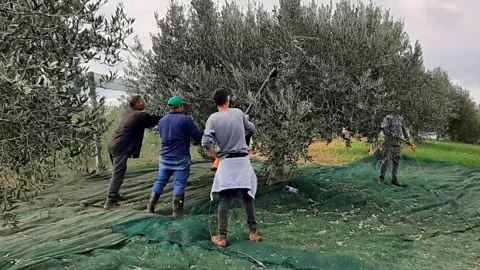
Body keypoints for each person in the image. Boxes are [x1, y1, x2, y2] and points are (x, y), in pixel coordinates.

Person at [202, 88, 262, 248]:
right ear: (228, 99)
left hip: (226, 162)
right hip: (242, 161)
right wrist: (245, 120)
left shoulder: (212, 119)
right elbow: (252, 129)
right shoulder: (238, 113)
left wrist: (217, 156)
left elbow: (206, 142)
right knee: (248, 195)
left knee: (224, 199)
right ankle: (253, 233)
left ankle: (221, 237)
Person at [147, 96, 203, 218]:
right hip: (180, 158)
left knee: (160, 181)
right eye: (183, 105)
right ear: (180, 107)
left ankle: (150, 207)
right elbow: (197, 136)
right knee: (179, 184)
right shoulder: (186, 119)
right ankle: (177, 213)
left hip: (164, 157)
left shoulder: (162, 121)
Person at [105, 95, 162, 210]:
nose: (144, 102)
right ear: (137, 104)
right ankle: (110, 202)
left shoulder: (127, 113)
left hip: (113, 144)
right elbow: (154, 119)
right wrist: (171, 116)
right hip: (120, 146)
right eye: (142, 101)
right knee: (118, 173)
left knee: (119, 171)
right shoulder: (139, 115)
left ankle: (114, 195)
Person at [379, 104, 411, 187]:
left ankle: (394, 179)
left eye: (400, 106)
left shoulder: (401, 119)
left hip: (398, 144)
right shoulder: (388, 118)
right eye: (397, 106)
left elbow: (404, 130)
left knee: (396, 161)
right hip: (389, 143)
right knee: (385, 160)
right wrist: (390, 134)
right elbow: (383, 128)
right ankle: (381, 177)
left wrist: (408, 140)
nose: (399, 108)